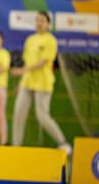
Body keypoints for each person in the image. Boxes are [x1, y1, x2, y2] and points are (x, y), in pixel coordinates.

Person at [10, 11, 72, 155]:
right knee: (18, 113)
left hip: (43, 83)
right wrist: (20, 82)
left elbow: (42, 62)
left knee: (42, 116)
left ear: (48, 24)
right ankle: (15, 147)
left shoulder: (51, 40)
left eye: (42, 20)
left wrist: (21, 70)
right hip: (27, 82)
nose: (39, 23)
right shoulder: (30, 40)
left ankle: (63, 143)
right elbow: (28, 61)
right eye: (37, 20)